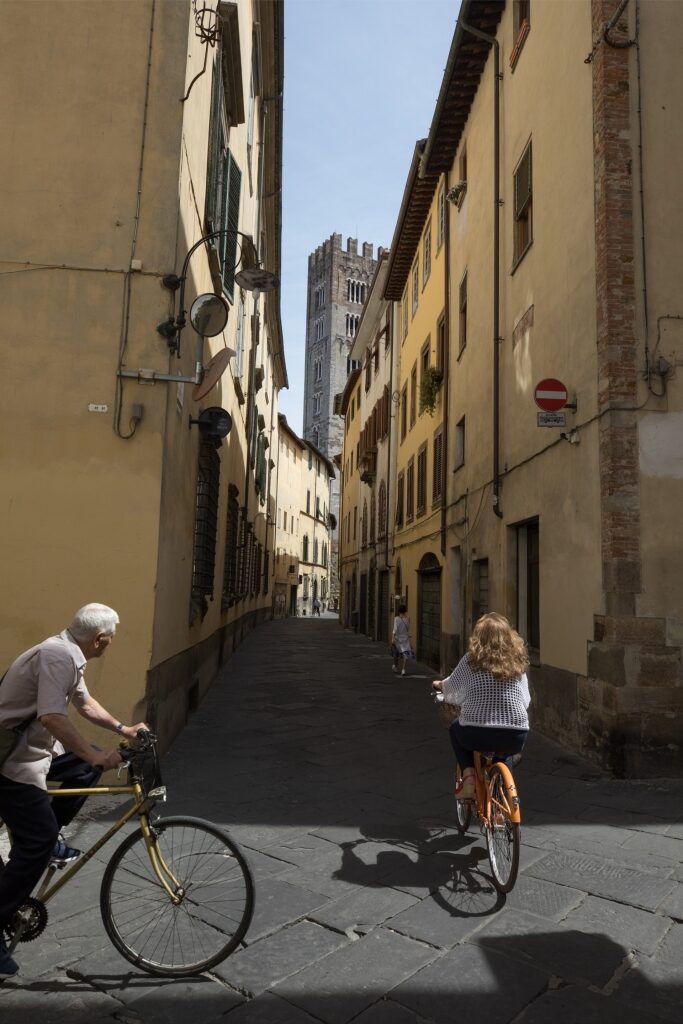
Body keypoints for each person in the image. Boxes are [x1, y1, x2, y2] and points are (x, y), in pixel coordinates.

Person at [0, 604, 147, 977]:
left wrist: (122, 729)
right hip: (11, 759)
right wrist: (96, 753)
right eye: (109, 641)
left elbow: (84, 703)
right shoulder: (56, 655)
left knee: (83, 768)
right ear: (99, 639)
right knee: (37, 839)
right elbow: (52, 715)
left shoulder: (69, 653)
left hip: (36, 749)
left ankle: (50, 840)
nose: (108, 646)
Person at [432, 612, 530, 800]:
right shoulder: (516, 662)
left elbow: (451, 687)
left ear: (478, 637)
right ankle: (502, 798)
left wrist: (438, 685)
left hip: (476, 732)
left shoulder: (471, 659)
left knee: (454, 729)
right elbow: (526, 700)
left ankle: (468, 775)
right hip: (516, 733)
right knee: (506, 751)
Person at [391, 604, 412, 676]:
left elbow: (395, 629)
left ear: (399, 611)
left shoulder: (396, 619)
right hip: (405, 639)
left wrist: (392, 638)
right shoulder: (408, 618)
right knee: (405, 654)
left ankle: (395, 666)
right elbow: (408, 629)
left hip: (397, 639)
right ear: (405, 611)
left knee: (396, 653)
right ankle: (403, 670)